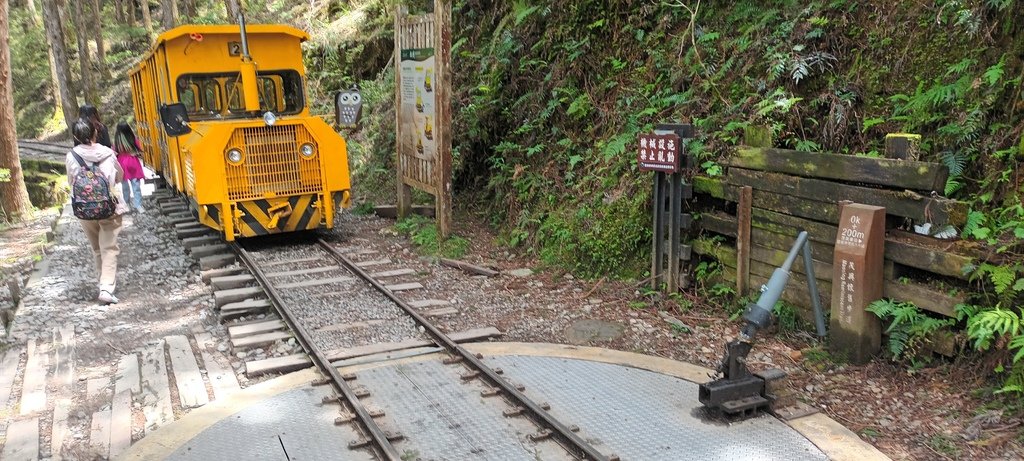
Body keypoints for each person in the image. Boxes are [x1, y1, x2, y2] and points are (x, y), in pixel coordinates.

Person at [66, 119, 129, 304]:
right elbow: (119, 176)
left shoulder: (71, 156)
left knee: (97, 249)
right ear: (95, 133)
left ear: (76, 136)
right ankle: (106, 288)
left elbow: (71, 181)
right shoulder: (108, 153)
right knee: (109, 248)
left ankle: (103, 284)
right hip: (109, 207)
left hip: (84, 210)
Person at [113, 122, 146, 213]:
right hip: (133, 163)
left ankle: (127, 203)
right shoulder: (133, 139)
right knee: (136, 186)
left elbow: (114, 152)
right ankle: (138, 205)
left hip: (122, 165)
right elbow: (139, 150)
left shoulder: (117, 141)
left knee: (125, 186)